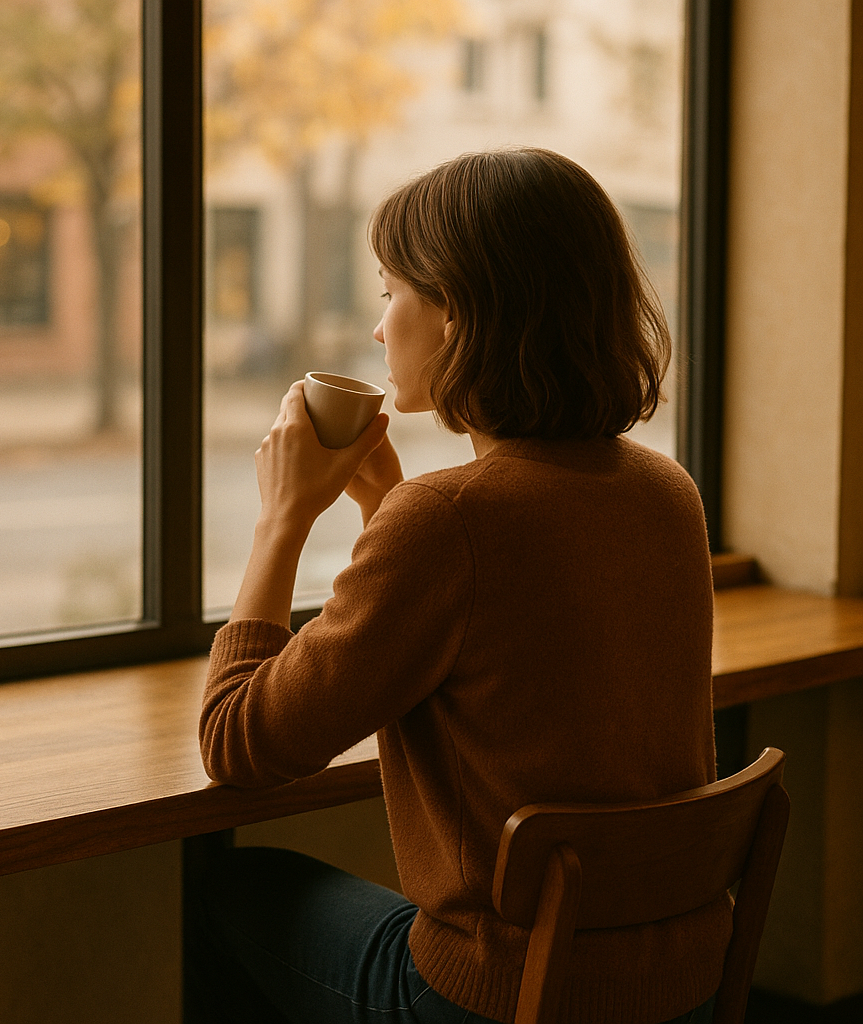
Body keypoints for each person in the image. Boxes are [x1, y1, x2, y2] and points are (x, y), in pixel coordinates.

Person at [188, 148, 726, 1024]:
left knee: (231, 891)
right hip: (678, 988)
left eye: (390, 292)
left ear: (458, 316)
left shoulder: (449, 520)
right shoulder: (666, 493)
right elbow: (503, 631)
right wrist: (386, 509)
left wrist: (282, 520)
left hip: (506, 998)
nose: (378, 328)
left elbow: (240, 743)